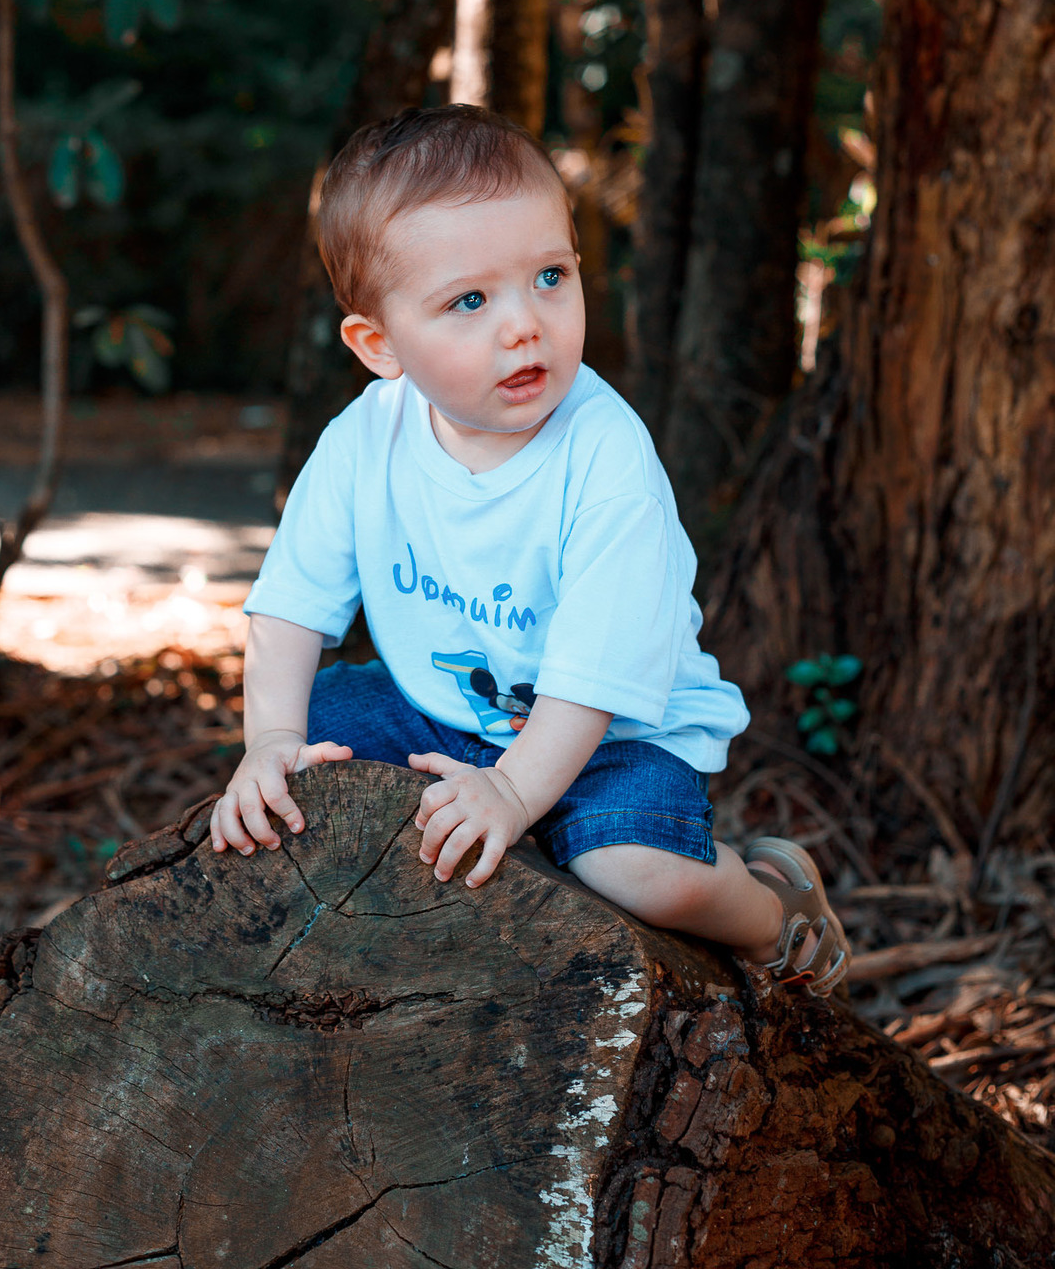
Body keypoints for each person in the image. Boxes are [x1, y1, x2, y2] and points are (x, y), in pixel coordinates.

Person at [211, 106, 849, 995]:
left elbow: (591, 679)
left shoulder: (605, 457)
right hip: (445, 713)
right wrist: (270, 741)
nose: (525, 324)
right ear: (379, 345)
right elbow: (287, 611)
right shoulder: (366, 439)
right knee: (308, 755)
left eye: (550, 276)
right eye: (470, 300)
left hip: (616, 731)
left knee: (636, 871)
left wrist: (511, 794)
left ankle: (774, 913)